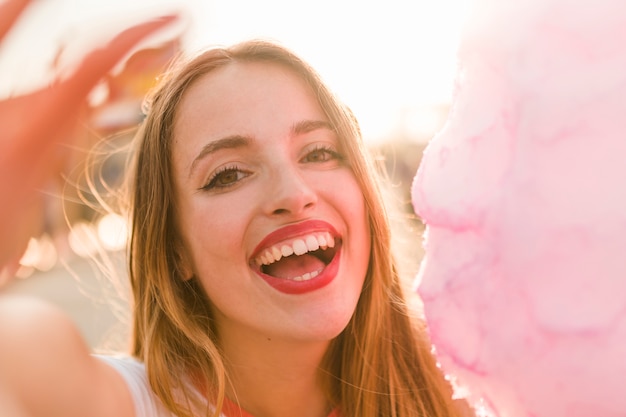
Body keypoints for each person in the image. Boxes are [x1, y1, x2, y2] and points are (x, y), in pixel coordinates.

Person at [0, 2, 468, 417]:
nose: (293, 192)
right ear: (175, 248)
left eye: (319, 152)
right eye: (227, 174)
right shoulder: (119, 404)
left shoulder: (459, 387)